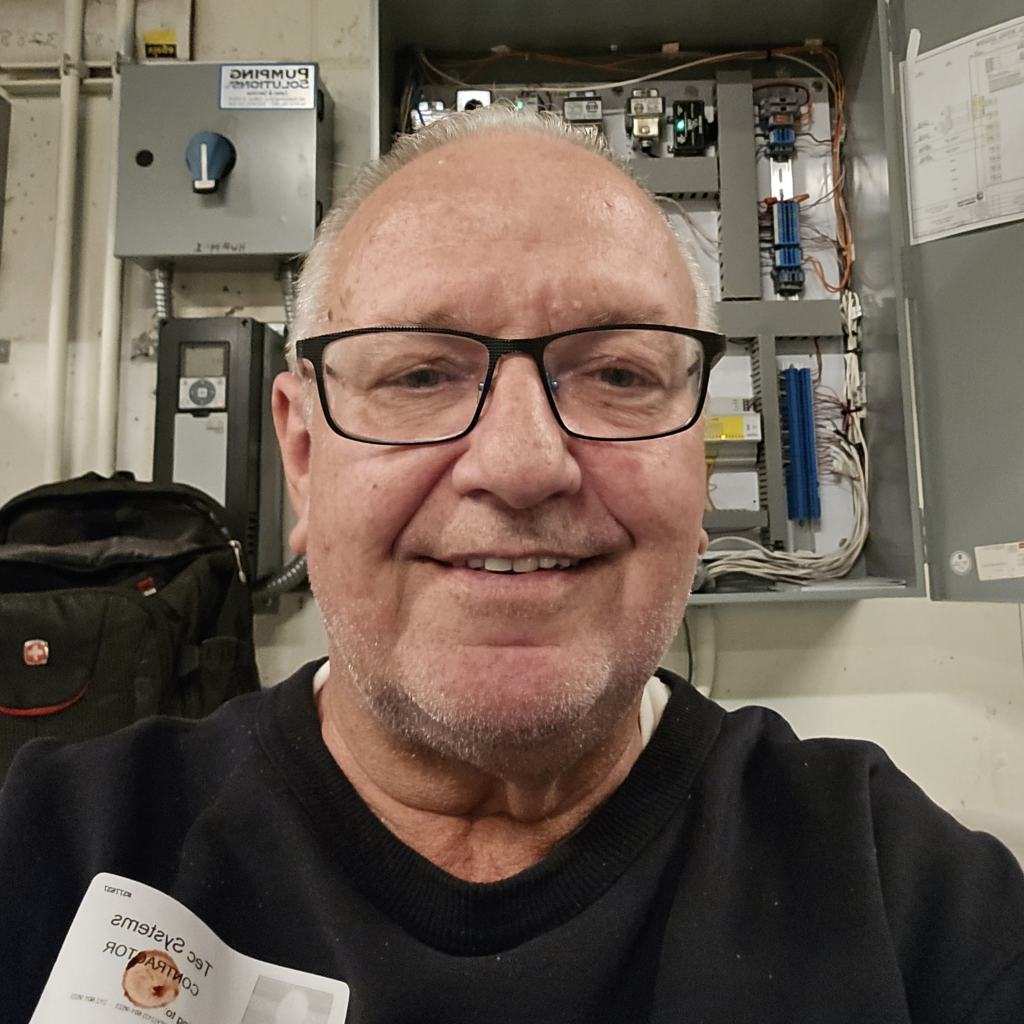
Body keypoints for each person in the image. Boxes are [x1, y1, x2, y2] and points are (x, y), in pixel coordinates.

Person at [1, 104, 1023, 1023]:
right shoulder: (52, 849)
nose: (524, 464)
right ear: (304, 457)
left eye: (618, 371)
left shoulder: (904, 896)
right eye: (419, 373)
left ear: (698, 467)